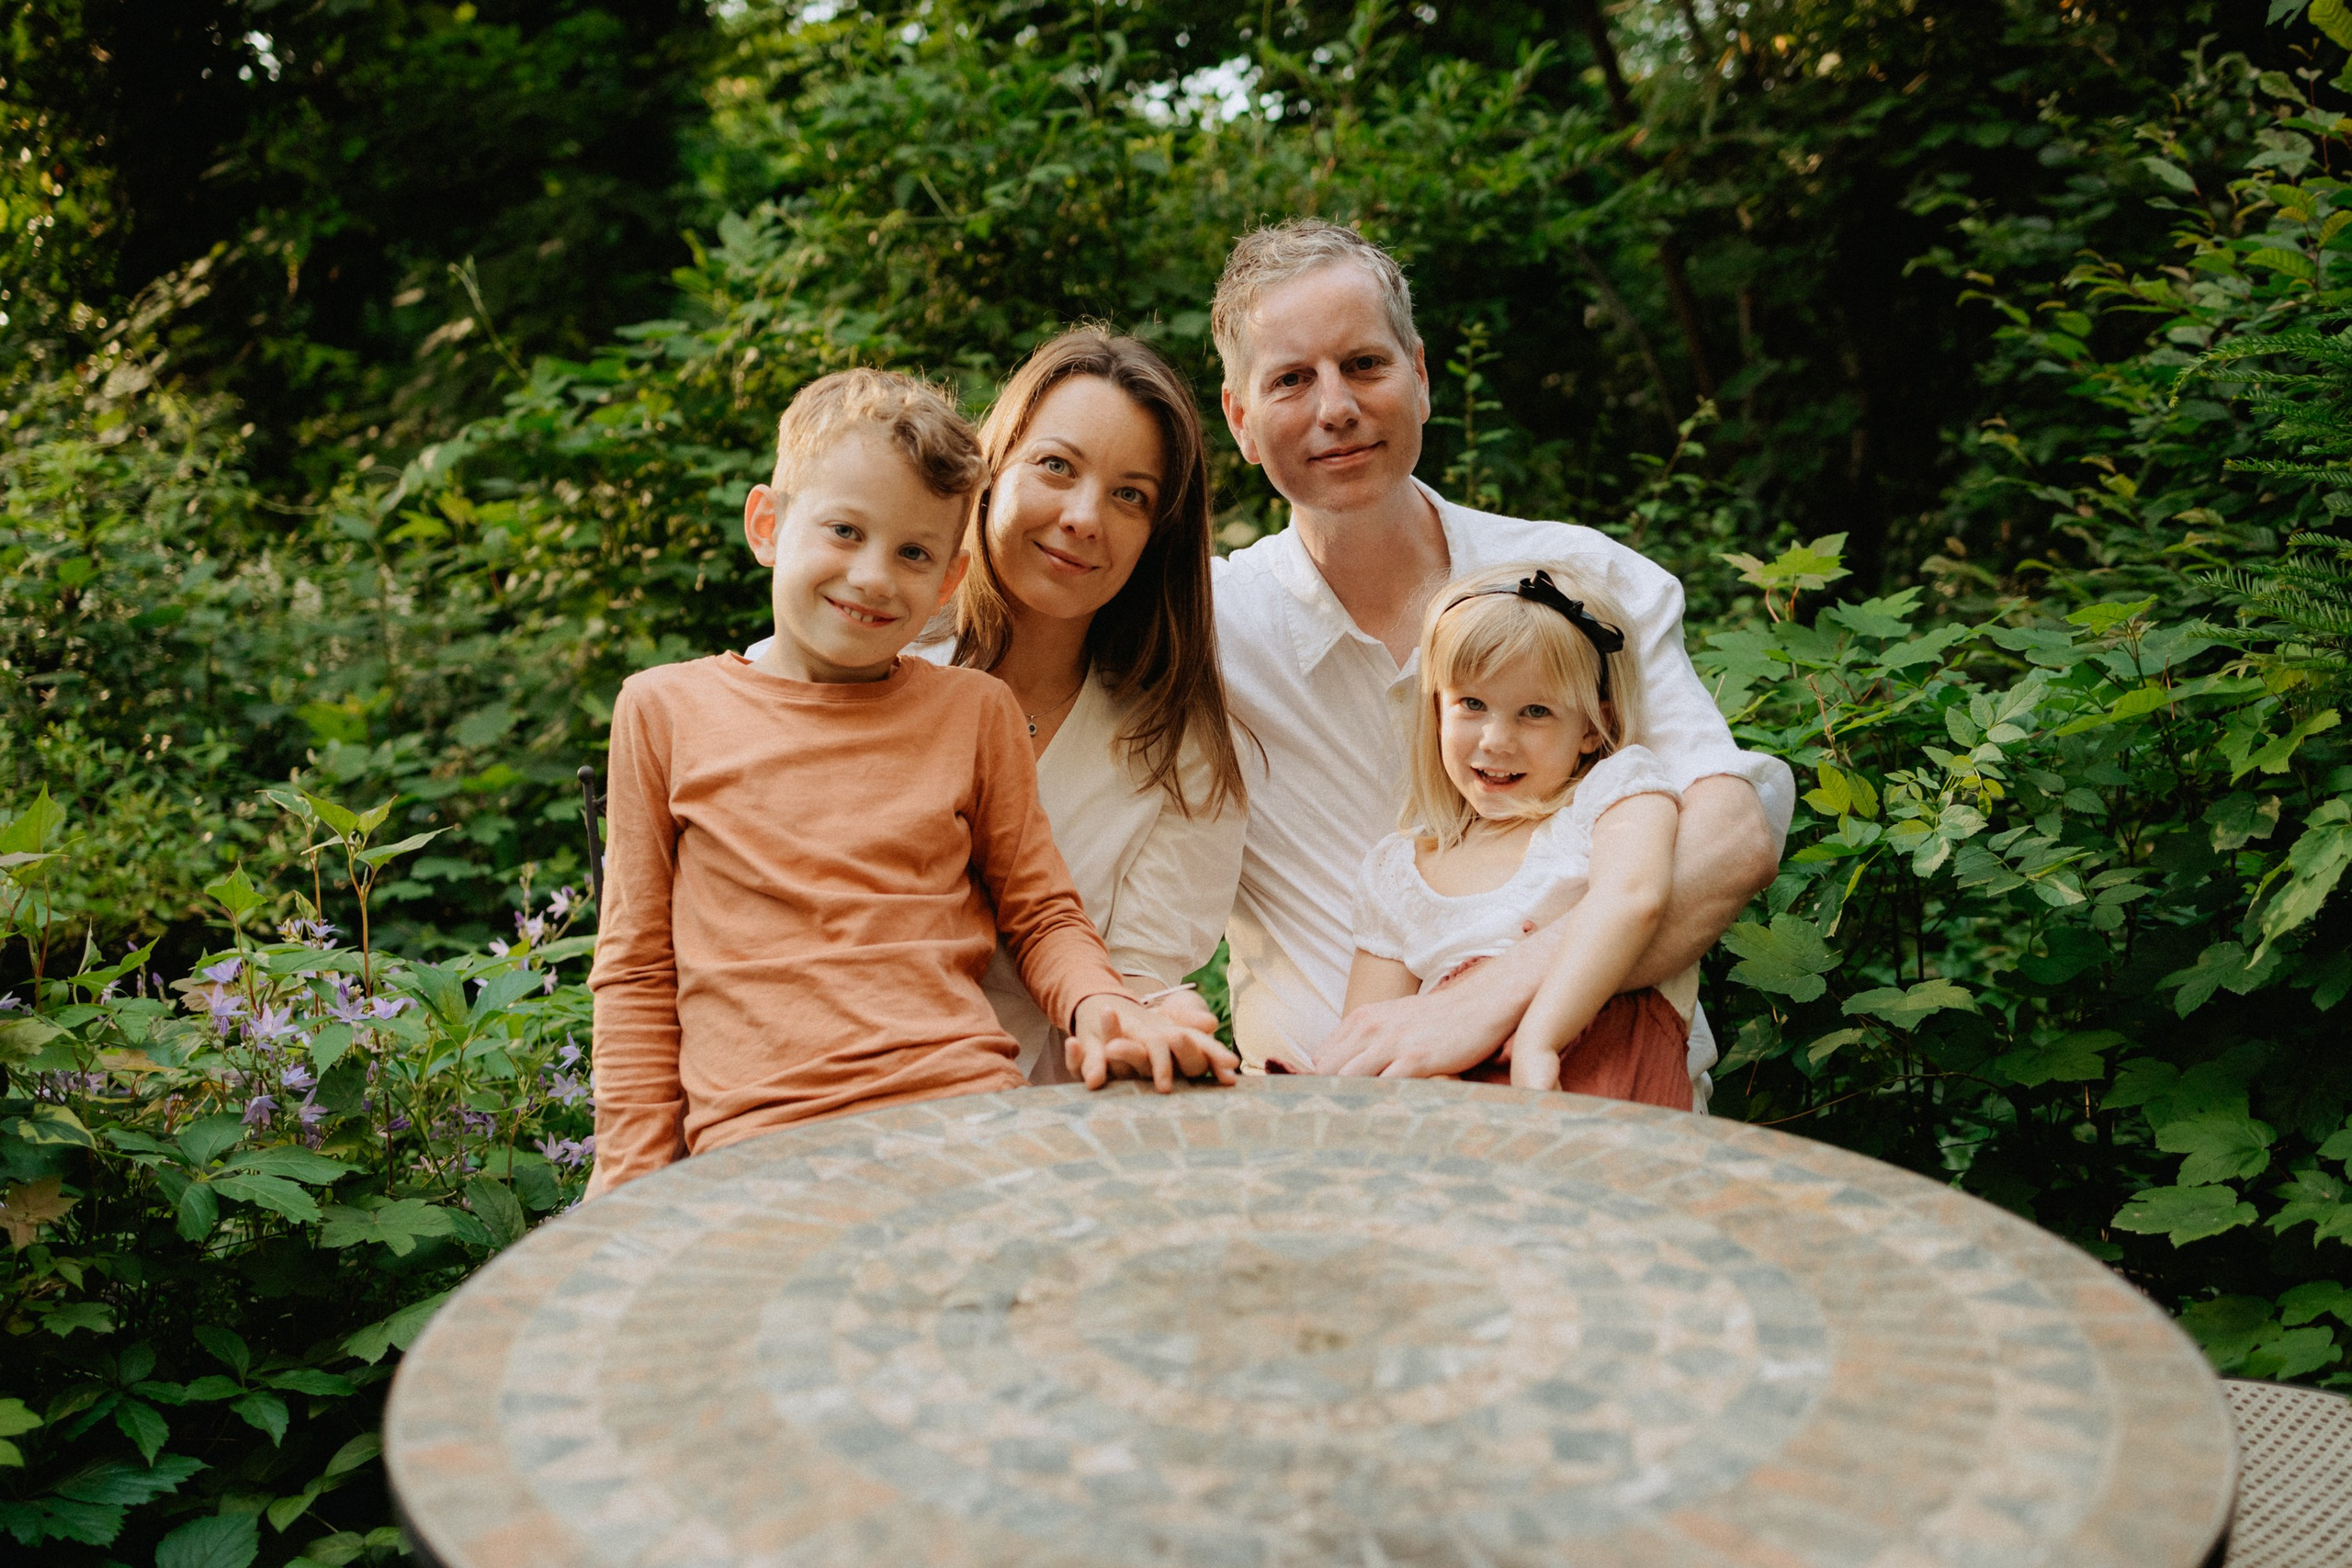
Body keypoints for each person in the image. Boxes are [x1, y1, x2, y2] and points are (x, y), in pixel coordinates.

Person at [587, 368, 1235, 1196]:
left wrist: (1103, 1006)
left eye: (914, 552)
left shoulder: (974, 712)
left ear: (950, 579)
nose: (873, 577)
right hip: (762, 1149)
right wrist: (630, 1177)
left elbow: (1042, 914)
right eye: (845, 531)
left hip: (965, 1118)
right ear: (767, 525)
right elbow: (638, 970)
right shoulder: (664, 712)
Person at [1208, 218, 1794, 1091]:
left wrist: (1478, 1001)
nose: (1336, 407)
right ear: (1242, 420)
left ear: (1421, 377)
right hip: (1322, 1129)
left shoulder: (1577, 580)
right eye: (1292, 379)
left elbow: (1729, 837)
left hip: (1587, 1105)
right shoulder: (1206, 623)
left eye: (1365, 364)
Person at [752, 330, 1252, 1081]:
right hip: (791, 1095)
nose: (1084, 516)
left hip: (1018, 1119)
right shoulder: (860, 641)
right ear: (993, 468)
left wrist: (1147, 1017)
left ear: (1159, 533)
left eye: (1130, 495)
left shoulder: (1178, 751)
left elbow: (1128, 980)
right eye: (1056, 465)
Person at [1345, 562, 1694, 1108]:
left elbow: (1633, 898)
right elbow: (1369, 1034)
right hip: (1448, 1104)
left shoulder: (1611, 796)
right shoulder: (1399, 871)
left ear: (1589, 726)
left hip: (1595, 1077)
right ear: (1436, 708)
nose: (1495, 740)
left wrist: (1540, 1036)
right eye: (1472, 704)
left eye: (1535, 711)